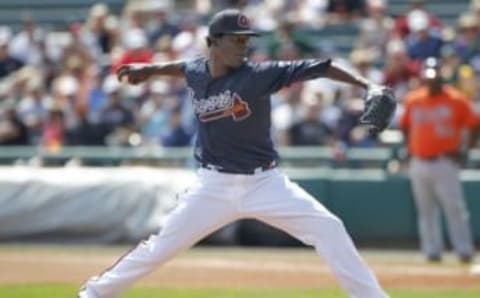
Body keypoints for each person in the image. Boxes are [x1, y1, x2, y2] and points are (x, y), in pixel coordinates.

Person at [78, 9, 389, 298]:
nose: (244, 46)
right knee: (159, 248)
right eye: (236, 40)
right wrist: (150, 70)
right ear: (212, 42)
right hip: (213, 187)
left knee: (329, 228)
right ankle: (94, 293)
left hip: (265, 183)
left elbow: (324, 66)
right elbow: (184, 69)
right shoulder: (198, 71)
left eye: (247, 40)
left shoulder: (259, 75)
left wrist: (367, 84)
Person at [399, 57, 477, 263]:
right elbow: (405, 125)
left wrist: (465, 150)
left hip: (445, 160)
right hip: (420, 160)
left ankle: (464, 250)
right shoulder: (413, 99)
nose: (431, 81)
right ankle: (432, 251)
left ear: (441, 76)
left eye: (435, 76)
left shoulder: (456, 99)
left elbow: (473, 124)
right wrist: (410, 147)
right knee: (426, 210)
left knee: (454, 207)